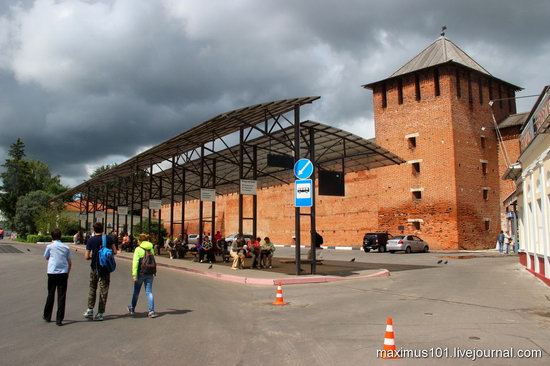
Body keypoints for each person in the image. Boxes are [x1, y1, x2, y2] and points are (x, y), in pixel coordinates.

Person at [83, 222, 117, 321]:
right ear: (103, 229)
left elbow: (86, 256)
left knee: (93, 288)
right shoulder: (109, 239)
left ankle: (90, 309)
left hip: (95, 268)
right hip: (105, 268)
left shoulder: (91, 240)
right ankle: (100, 313)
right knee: (104, 290)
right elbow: (114, 251)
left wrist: (92, 257)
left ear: (94, 230)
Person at [43, 228, 72, 326]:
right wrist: (68, 272)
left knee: (50, 294)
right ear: (61, 236)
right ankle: (59, 319)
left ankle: (47, 316)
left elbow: (46, 257)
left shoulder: (49, 246)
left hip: (52, 272)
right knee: (61, 296)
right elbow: (69, 262)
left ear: (52, 236)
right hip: (63, 273)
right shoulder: (66, 247)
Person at [128, 233, 157, 318]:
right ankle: (151, 311)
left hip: (140, 273)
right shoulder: (151, 248)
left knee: (136, 291)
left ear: (140, 240)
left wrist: (134, 274)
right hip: (150, 273)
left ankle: (132, 308)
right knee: (149, 292)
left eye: (138, 240)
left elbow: (135, 263)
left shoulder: (138, 249)